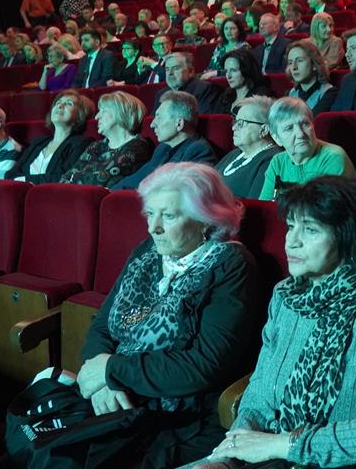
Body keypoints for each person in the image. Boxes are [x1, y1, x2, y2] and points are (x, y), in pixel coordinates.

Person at [197, 177, 356, 469]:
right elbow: (258, 398)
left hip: (335, 462)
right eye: (290, 226)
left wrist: (285, 445)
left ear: (348, 236)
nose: (292, 241)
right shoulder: (285, 294)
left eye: (310, 229)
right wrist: (225, 459)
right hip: (268, 455)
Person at [72, 163, 257, 468]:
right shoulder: (149, 250)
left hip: (178, 416)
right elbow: (103, 325)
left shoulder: (230, 264)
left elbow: (204, 366)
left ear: (205, 220)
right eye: (150, 213)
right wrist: (102, 382)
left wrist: (112, 370)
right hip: (117, 397)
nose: (152, 227)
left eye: (168, 216)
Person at [114, 91, 217, 190]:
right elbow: (134, 180)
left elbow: (181, 192)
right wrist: (109, 192)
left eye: (159, 117)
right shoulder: (162, 148)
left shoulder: (199, 151)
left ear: (179, 124)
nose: (152, 124)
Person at [259, 97, 356, 200]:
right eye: (289, 128)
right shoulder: (278, 163)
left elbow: (326, 208)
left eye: (305, 124)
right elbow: (265, 205)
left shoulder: (333, 157)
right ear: (276, 138)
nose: (300, 134)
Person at [61, 92, 153, 187]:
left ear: (122, 112)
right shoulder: (95, 146)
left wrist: (74, 178)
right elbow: (65, 178)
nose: (97, 117)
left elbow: (101, 180)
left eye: (103, 111)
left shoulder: (137, 146)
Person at [6, 91, 95, 183]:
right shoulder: (38, 142)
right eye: (58, 102)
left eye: (69, 103)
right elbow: (10, 174)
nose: (60, 106)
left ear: (80, 115)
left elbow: (65, 177)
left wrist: (24, 179)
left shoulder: (82, 143)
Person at [215, 96, 281, 199]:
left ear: (264, 130)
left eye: (241, 123)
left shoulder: (271, 160)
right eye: (235, 122)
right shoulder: (236, 153)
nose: (234, 128)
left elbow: (255, 204)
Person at [156, 52, 230, 115]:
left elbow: (203, 119)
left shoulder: (205, 89)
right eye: (167, 69)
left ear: (190, 71)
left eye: (175, 68)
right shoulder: (161, 93)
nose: (170, 73)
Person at [286, 39, 337, 114]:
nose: (294, 67)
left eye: (299, 60)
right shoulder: (290, 93)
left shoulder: (329, 93)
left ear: (314, 65)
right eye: (290, 62)